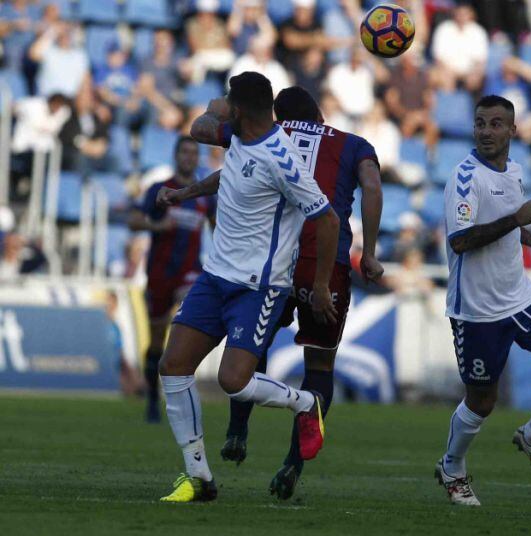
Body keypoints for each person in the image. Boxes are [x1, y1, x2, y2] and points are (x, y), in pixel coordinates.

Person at [180, 85, 383, 500]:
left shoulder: (262, 134)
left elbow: (216, 152)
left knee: (252, 344)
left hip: (274, 259)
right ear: (319, 116)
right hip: (325, 262)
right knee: (319, 367)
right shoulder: (352, 143)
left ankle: (238, 429)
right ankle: (293, 463)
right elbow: (374, 186)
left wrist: (218, 110)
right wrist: (372, 255)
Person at [153, 72, 340, 503]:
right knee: (173, 366)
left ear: (238, 109)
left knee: (233, 381)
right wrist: (187, 193)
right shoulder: (239, 137)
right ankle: (199, 477)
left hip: (259, 287)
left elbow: (326, 218)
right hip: (216, 275)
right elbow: (233, 176)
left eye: (226, 99)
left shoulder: (283, 158)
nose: (220, 103)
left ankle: (305, 403)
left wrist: (321, 283)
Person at [436, 95, 531, 506]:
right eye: (481, 123)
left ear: (513, 131)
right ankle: (452, 467)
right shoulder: (464, 178)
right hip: (477, 311)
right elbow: (462, 240)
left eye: (496, 123)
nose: (486, 130)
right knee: (482, 402)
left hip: (519, 298)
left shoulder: (513, 172)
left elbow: (504, 224)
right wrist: (519, 219)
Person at [127, 136, 216, 423]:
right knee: (155, 342)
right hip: (159, 274)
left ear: (198, 158)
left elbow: (219, 228)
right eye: (184, 152)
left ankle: (182, 391)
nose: (189, 157)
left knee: (185, 312)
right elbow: (134, 221)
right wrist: (157, 224)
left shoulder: (205, 194)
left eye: (194, 153)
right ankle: (153, 401)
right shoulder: (159, 189)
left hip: (190, 272)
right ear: (176, 156)